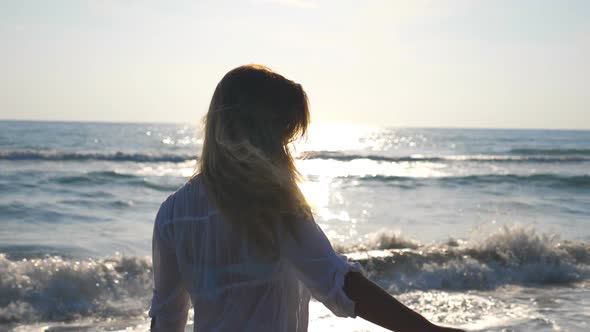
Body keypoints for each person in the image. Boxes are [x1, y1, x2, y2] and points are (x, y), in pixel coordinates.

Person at [149, 64, 465, 332]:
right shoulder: (271, 204)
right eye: (280, 135)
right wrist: (427, 330)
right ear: (258, 131)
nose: (283, 149)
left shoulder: (173, 213)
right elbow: (338, 284)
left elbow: (167, 318)